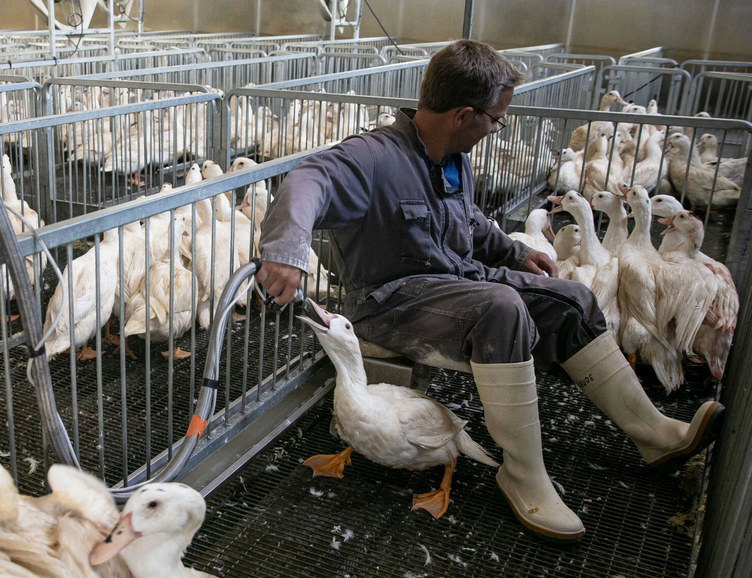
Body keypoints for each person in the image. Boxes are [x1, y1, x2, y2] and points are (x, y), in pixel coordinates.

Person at [255, 39, 724, 541]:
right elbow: (310, 177)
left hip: (455, 285)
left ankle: (651, 432)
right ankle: (522, 474)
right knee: (500, 309)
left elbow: (468, 221)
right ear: (463, 115)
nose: (495, 129)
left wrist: (512, 251)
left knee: (574, 300)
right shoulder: (373, 158)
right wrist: (285, 250)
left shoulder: (453, 160)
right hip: (390, 302)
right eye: (495, 119)